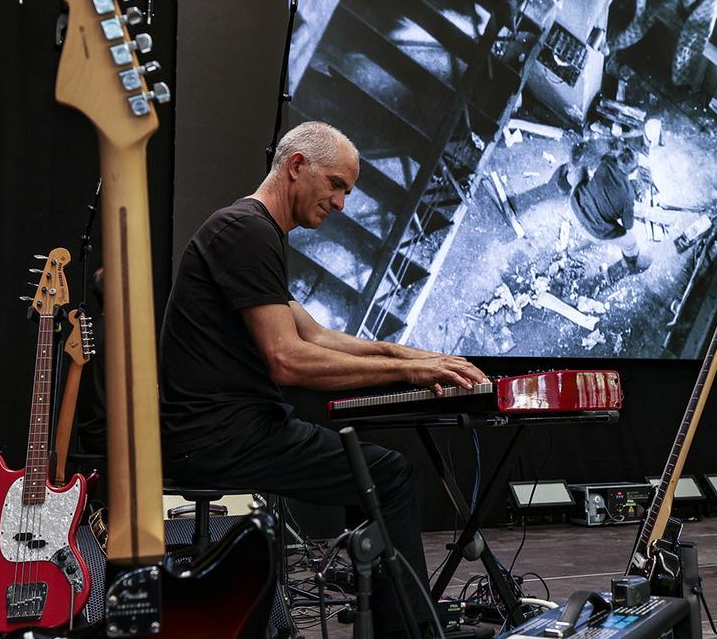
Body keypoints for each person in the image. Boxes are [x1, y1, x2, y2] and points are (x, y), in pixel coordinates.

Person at [158, 121, 488, 637]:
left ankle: (394, 618)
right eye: (335, 184)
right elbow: (288, 360)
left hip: (225, 431)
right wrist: (408, 370)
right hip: (221, 436)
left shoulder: (249, 230)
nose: (340, 204)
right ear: (296, 167)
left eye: (347, 192)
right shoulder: (246, 231)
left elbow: (315, 335)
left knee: (372, 475)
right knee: (389, 476)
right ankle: (412, 632)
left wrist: (409, 353)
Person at [562, 143, 653, 271]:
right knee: (631, 242)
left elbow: (611, 155)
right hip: (593, 230)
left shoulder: (607, 162)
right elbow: (628, 225)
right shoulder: (628, 196)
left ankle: (564, 180)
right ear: (633, 171)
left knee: (581, 171)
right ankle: (631, 264)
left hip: (575, 205)